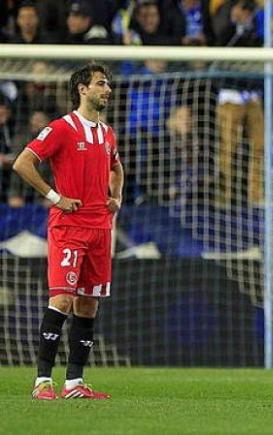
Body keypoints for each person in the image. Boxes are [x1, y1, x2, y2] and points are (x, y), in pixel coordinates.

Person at [12, 63, 123, 400]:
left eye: (108, 84)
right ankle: (42, 382)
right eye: (101, 83)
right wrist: (55, 197)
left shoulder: (107, 133)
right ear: (82, 89)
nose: (108, 89)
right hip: (69, 228)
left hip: (100, 229)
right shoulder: (61, 128)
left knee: (88, 306)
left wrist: (115, 197)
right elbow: (22, 163)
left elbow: (116, 167)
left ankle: (74, 383)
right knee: (62, 299)